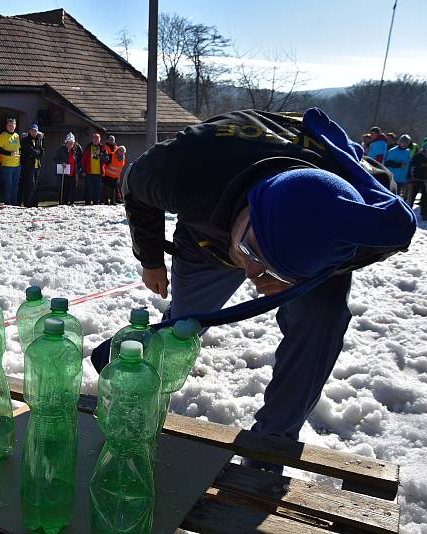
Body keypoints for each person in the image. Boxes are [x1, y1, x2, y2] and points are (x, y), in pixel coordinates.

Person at [91, 109, 416, 462]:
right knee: (184, 322)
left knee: (323, 318)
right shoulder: (184, 169)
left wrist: (294, 276)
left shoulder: (365, 225)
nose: (251, 276)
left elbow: (387, 220)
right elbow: (134, 188)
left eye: (271, 273)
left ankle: (273, 442)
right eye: (250, 252)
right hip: (209, 237)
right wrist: (151, 259)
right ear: (251, 205)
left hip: (311, 250)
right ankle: (140, 385)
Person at [20, 123, 44, 207]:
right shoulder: (26, 140)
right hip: (28, 165)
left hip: (37, 165)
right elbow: (30, 151)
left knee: (35, 185)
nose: (34, 132)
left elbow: (42, 151)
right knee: (30, 184)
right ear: (29, 131)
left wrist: (37, 153)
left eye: (35, 131)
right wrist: (37, 153)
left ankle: (34, 204)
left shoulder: (38, 139)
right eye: (32, 130)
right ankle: (28, 203)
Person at [54, 132, 82, 206]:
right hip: (64, 173)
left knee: (72, 189)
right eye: (68, 143)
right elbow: (56, 158)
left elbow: (80, 160)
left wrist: (78, 168)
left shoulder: (76, 151)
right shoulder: (61, 150)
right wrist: (61, 162)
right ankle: (63, 203)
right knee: (64, 188)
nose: (69, 145)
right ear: (66, 143)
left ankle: (71, 203)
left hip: (73, 173)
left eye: (71, 143)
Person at [0, 118, 21, 205]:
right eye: (10, 125)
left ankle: (14, 203)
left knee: (15, 186)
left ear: (15, 126)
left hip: (17, 165)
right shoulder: (2, 135)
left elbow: (18, 149)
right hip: (7, 165)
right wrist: (9, 153)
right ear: (6, 126)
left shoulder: (17, 136)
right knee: (9, 185)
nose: (11, 127)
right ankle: (7, 203)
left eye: (13, 125)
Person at [407, 138, 427, 216]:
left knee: (425, 198)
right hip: (415, 179)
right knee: (412, 197)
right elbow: (411, 167)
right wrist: (411, 176)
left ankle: (424, 214)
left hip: (425, 180)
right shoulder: (417, 156)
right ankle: (408, 212)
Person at [82, 132, 103, 205]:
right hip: (89, 172)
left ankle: (95, 203)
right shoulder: (88, 147)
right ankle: (87, 202)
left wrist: (103, 156)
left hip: (99, 172)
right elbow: (83, 159)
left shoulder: (102, 148)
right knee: (88, 189)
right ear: (92, 139)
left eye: (97, 138)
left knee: (97, 189)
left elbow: (107, 159)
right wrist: (83, 170)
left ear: (100, 140)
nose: (96, 140)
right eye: (95, 138)